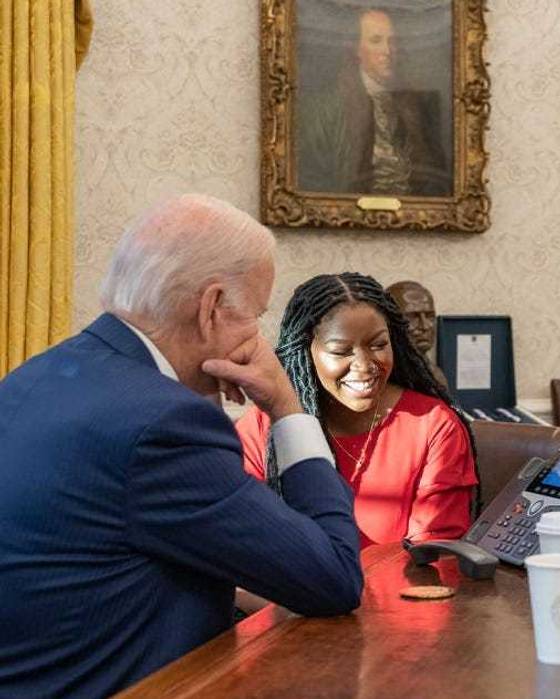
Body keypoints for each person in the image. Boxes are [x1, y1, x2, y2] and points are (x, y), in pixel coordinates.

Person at [0, 195, 363, 698]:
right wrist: (286, 406)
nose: (258, 339)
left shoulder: (35, 378)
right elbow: (333, 578)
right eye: (254, 315)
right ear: (211, 308)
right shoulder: (163, 425)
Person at [235, 273, 479, 548]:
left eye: (378, 345)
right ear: (305, 350)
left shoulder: (433, 426)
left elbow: (432, 553)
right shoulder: (262, 431)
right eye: (341, 351)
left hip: (399, 590)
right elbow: (247, 544)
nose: (364, 365)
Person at [298, 7, 450, 196]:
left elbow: (436, 180)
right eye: (376, 41)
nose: (387, 51)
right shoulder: (325, 108)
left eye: (392, 42)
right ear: (357, 50)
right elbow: (313, 180)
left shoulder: (419, 106)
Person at [386, 279, 448, 390]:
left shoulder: (435, 374)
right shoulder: (382, 377)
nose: (425, 326)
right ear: (389, 322)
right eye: (412, 317)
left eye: (429, 316)